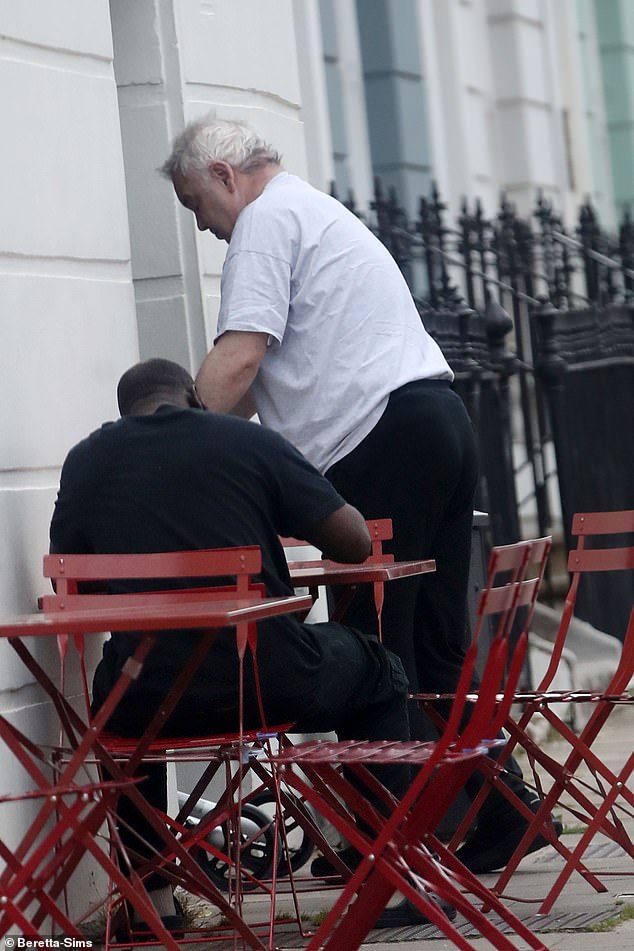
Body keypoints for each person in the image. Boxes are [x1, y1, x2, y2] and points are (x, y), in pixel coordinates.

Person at [161, 116, 562, 875]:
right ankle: (502, 812)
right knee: (438, 642)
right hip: (437, 418)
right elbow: (255, 379)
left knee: (377, 653)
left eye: (195, 207)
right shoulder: (314, 209)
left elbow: (240, 357)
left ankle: (397, 856)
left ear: (221, 174)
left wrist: (172, 445)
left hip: (379, 444)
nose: (204, 229)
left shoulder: (263, 222)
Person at [49, 358, 453, 930]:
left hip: (148, 693)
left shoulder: (87, 459)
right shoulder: (244, 440)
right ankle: (388, 878)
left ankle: (151, 904)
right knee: (380, 670)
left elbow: (78, 583)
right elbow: (355, 543)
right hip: (267, 680)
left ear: (126, 416)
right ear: (193, 396)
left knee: (119, 698)